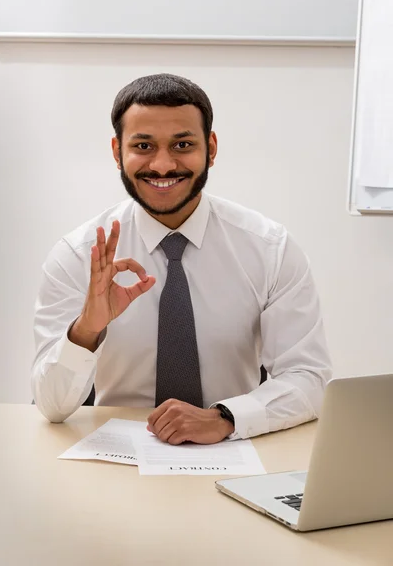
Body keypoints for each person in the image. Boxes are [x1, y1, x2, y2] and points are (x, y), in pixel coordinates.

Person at [32, 73, 332, 444]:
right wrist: (86, 330)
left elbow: (309, 377)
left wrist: (227, 418)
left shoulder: (270, 249)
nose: (161, 165)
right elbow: (51, 407)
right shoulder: (78, 256)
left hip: (233, 447)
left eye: (182, 144)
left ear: (211, 147)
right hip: (115, 454)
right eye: (143, 146)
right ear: (116, 151)